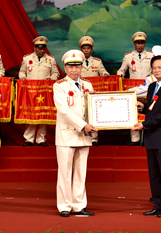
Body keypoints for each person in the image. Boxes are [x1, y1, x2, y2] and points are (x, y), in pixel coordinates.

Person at [132, 55, 161, 218]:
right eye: (154, 68)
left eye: (160, 67)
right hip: (152, 138)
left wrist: (144, 124)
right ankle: (159, 204)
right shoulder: (153, 86)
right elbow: (154, 109)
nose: (157, 70)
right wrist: (143, 107)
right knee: (155, 175)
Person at [54, 50, 97, 217]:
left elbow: (93, 107)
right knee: (65, 172)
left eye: (77, 66)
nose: (74, 70)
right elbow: (64, 111)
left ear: (81, 67)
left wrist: (98, 122)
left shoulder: (88, 85)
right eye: (71, 67)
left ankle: (79, 205)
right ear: (65, 68)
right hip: (67, 134)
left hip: (84, 134)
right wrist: (84, 125)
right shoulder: (59, 86)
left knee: (81, 171)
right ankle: (64, 206)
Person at [18, 36, 60, 147]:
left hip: (44, 91)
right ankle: (29, 139)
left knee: (43, 113)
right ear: (35, 48)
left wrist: (51, 79)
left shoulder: (50, 59)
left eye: (43, 48)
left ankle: (41, 138)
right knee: (30, 113)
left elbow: (55, 73)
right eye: (39, 48)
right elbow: (21, 72)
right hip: (30, 91)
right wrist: (23, 77)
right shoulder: (27, 58)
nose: (42, 50)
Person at [117, 31, 153, 145]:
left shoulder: (151, 55)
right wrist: (121, 75)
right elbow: (121, 70)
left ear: (145, 43)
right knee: (134, 114)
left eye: (142, 43)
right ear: (134, 44)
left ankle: (147, 139)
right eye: (138, 43)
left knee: (148, 113)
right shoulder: (128, 57)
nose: (140, 45)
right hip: (134, 90)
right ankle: (135, 139)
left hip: (148, 88)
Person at [78, 36, 108, 146]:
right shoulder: (77, 62)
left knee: (94, 115)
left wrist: (105, 74)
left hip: (93, 93)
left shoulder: (97, 62)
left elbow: (103, 71)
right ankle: (82, 137)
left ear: (91, 50)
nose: (86, 50)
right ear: (81, 50)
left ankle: (94, 138)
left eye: (88, 48)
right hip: (80, 93)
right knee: (81, 114)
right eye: (84, 48)